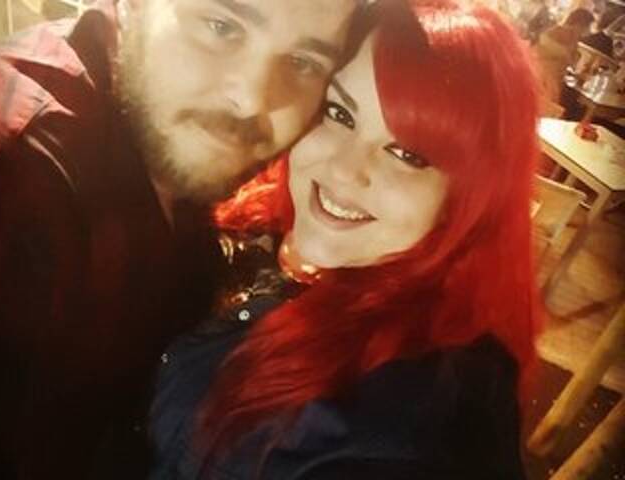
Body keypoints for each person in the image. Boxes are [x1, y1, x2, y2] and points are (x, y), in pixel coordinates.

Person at [149, 0, 542, 478]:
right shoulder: (261, 214)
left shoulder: (416, 419)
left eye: (407, 154)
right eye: (340, 113)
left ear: (468, 198)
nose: (342, 170)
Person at [0, 0, 358, 478]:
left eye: (304, 62)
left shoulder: (179, 144)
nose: (252, 99)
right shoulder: (19, 176)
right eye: (221, 26)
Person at [533, 8, 595, 103]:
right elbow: (568, 59)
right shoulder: (564, 32)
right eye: (588, 27)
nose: (589, 31)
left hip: (546, 77)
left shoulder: (567, 34)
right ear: (580, 24)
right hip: (545, 79)